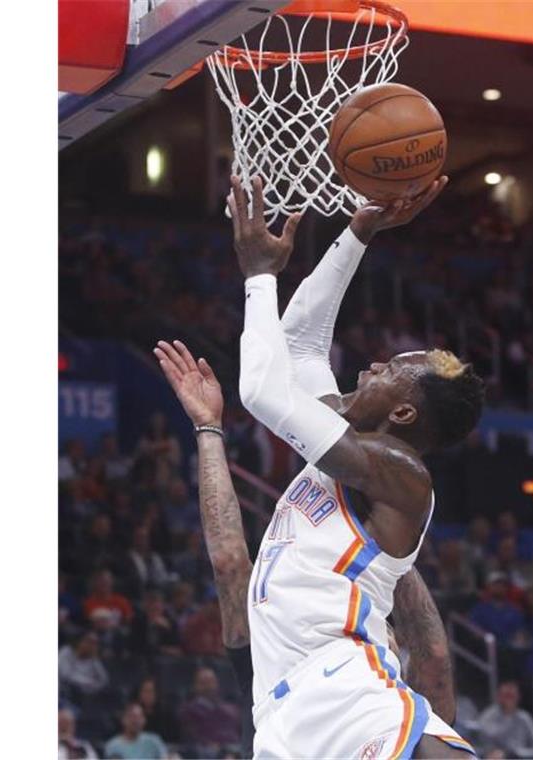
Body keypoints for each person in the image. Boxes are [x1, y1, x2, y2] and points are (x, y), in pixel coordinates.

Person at [186, 174, 482, 759]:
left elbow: (265, 392)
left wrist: (258, 276)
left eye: (389, 368)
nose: (372, 364)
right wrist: (358, 232)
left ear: (402, 412)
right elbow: (297, 347)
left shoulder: (399, 471)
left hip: (346, 681)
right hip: (277, 709)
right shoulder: (344, 435)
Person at [156, 337, 465, 754]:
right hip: (354, 706)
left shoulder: (259, 635)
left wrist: (208, 428)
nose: (372, 367)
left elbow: (229, 562)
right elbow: (433, 656)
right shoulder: (358, 524)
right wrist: (394, 560)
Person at [178, 666, 242, 757]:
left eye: (211, 682)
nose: (209, 686)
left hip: (236, 749)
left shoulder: (231, 708)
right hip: (210, 752)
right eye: (203, 683)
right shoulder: (188, 710)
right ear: (195, 686)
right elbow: (193, 737)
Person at [477, 681, 533, 759]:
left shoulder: (524, 718)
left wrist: (517, 753)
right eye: (506, 696)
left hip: (519, 757)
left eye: (512, 696)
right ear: (498, 697)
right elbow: (483, 741)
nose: (509, 700)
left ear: (518, 697)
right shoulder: (488, 716)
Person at [103, 703, 168, 760]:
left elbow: (165, 757)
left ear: (144, 720)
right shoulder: (113, 746)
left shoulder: (154, 741)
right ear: (123, 719)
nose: (136, 721)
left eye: (139, 717)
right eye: (132, 717)